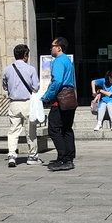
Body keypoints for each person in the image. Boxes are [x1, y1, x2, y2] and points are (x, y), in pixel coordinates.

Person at [1, 43, 43, 167]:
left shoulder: (7, 69)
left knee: (13, 131)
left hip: (14, 103)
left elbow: (4, 86)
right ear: (25, 55)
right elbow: (36, 87)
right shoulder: (30, 69)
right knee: (30, 131)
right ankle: (32, 156)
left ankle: (12, 155)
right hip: (27, 103)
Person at [42, 37, 77, 172]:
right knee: (66, 128)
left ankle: (63, 157)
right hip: (70, 96)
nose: (50, 49)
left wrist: (47, 96)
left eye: (52, 46)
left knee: (54, 128)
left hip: (60, 98)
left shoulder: (58, 61)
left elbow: (56, 81)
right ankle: (69, 157)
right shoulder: (67, 61)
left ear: (59, 48)